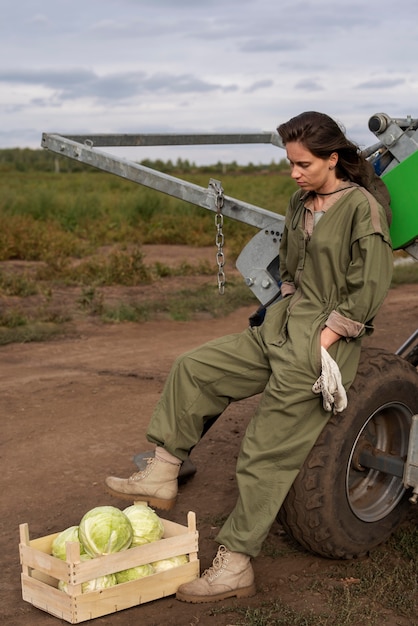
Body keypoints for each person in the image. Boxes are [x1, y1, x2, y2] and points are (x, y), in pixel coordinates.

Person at [105, 111, 393, 603]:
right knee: (194, 368)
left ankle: (235, 564)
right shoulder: (299, 201)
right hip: (281, 325)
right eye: (290, 163)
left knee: (263, 452)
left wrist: (324, 338)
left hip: (321, 342)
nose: (294, 172)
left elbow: (368, 290)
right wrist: (283, 301)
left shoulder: (362, 209)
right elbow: (293, 267)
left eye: (303, 163)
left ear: (332, 158)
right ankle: (161, 473)